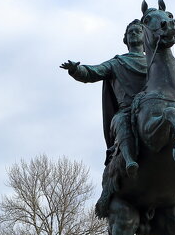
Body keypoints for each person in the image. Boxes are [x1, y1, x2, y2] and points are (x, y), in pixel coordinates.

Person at [61, 19, 148, 215]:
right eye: (131, 32)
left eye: (138, 31)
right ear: (125, 39)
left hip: (153, 109)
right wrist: (76, 70)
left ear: (145, 37)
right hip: (127, 111)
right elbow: (93, 72)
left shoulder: (156, 62)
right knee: (121, 123)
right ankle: (128, 160)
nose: (134, 34)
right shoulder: (118, 63)